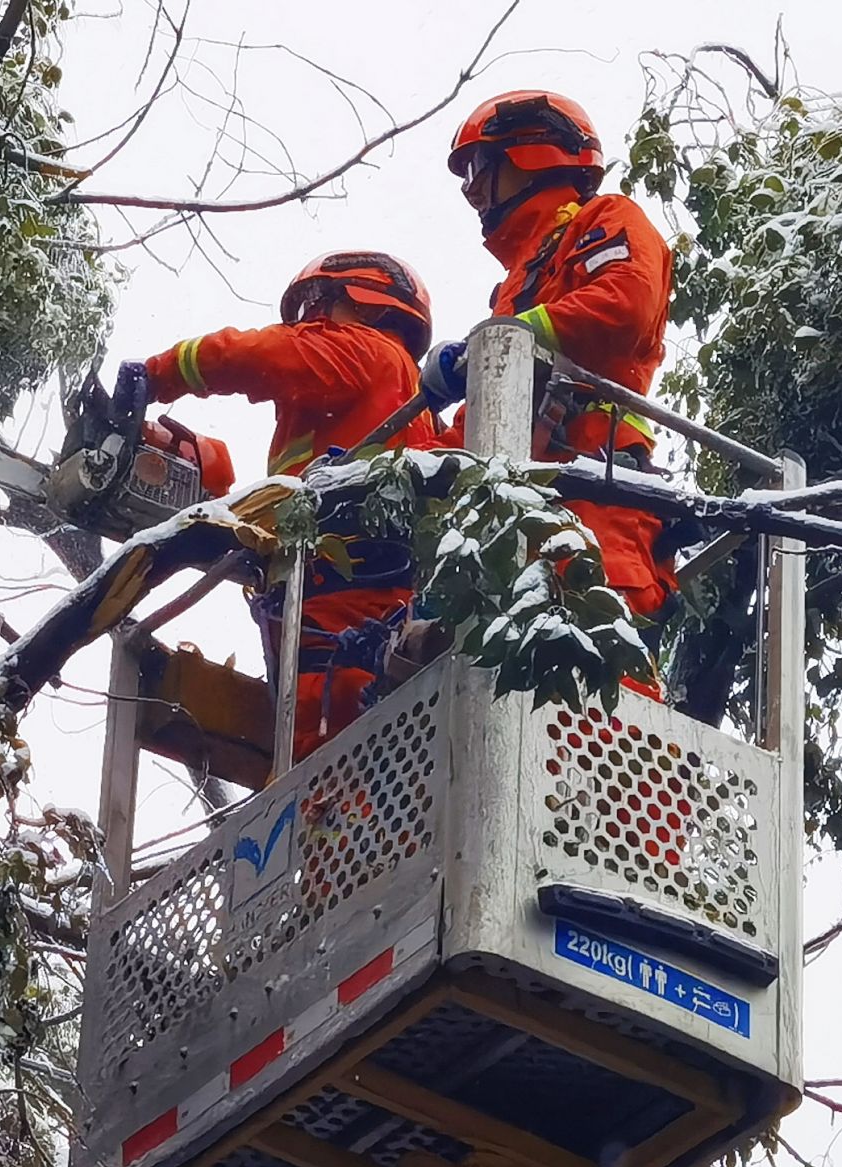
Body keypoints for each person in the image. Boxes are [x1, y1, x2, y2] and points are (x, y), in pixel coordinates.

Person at [131, 251, 438, 760]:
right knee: (345, 749)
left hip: (334, 602)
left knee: (328, 765)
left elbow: (258, 356)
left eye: (320, 304)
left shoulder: (364, 352)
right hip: (344, 604)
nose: (310, 322)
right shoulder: (395, 393)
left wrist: (158, 374)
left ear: (365, 304)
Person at [425, 91, 680, 644]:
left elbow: (622, 306)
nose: (471, 188)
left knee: (600, 657)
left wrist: (497, 342)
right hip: (521, 501)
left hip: (596, 486)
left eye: (479, 167)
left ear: (529, 154)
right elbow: (491, 408)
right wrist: (406, 457)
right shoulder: (519, 280)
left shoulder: (607, 219)